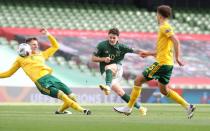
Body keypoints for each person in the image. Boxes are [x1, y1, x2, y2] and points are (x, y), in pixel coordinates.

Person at [113, 5, 195, 119]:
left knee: (138, 80)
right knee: (164, 90)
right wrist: (147, 53)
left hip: (162, 63)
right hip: (167, 64)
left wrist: (178, 58)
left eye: (157, 14)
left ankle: (129, 107)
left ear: (159, 15)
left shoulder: (164, 27)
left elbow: (176, 40)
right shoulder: (165, 28)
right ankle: (188, 106)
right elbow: (161, 51)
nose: (156, 16)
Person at [0, 28, 91, 115]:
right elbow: (8, 73)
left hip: (51, 78)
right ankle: (83, 110)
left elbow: (55, 46)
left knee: (72, 96)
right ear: (27, 46)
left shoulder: (41, 55)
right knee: (62, 95)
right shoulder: (20, 59)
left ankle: (60, 111)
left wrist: (48, 34)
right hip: (41, 82)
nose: (36, 46)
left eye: (37, 44)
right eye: (34, 44)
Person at [92, 28, 147, 115]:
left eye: (114, 38)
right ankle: (141, 108)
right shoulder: (101, 45)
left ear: (118, 38)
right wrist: (103, 59)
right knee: (120, 92)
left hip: (117, 69)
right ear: (108, 36)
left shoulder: (121, 47)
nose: (112, 39)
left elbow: (134, 50)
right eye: (110, 37)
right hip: (107, 75)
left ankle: (108, 87)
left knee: (108, 67)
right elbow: (93, 58)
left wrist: (145, 53)